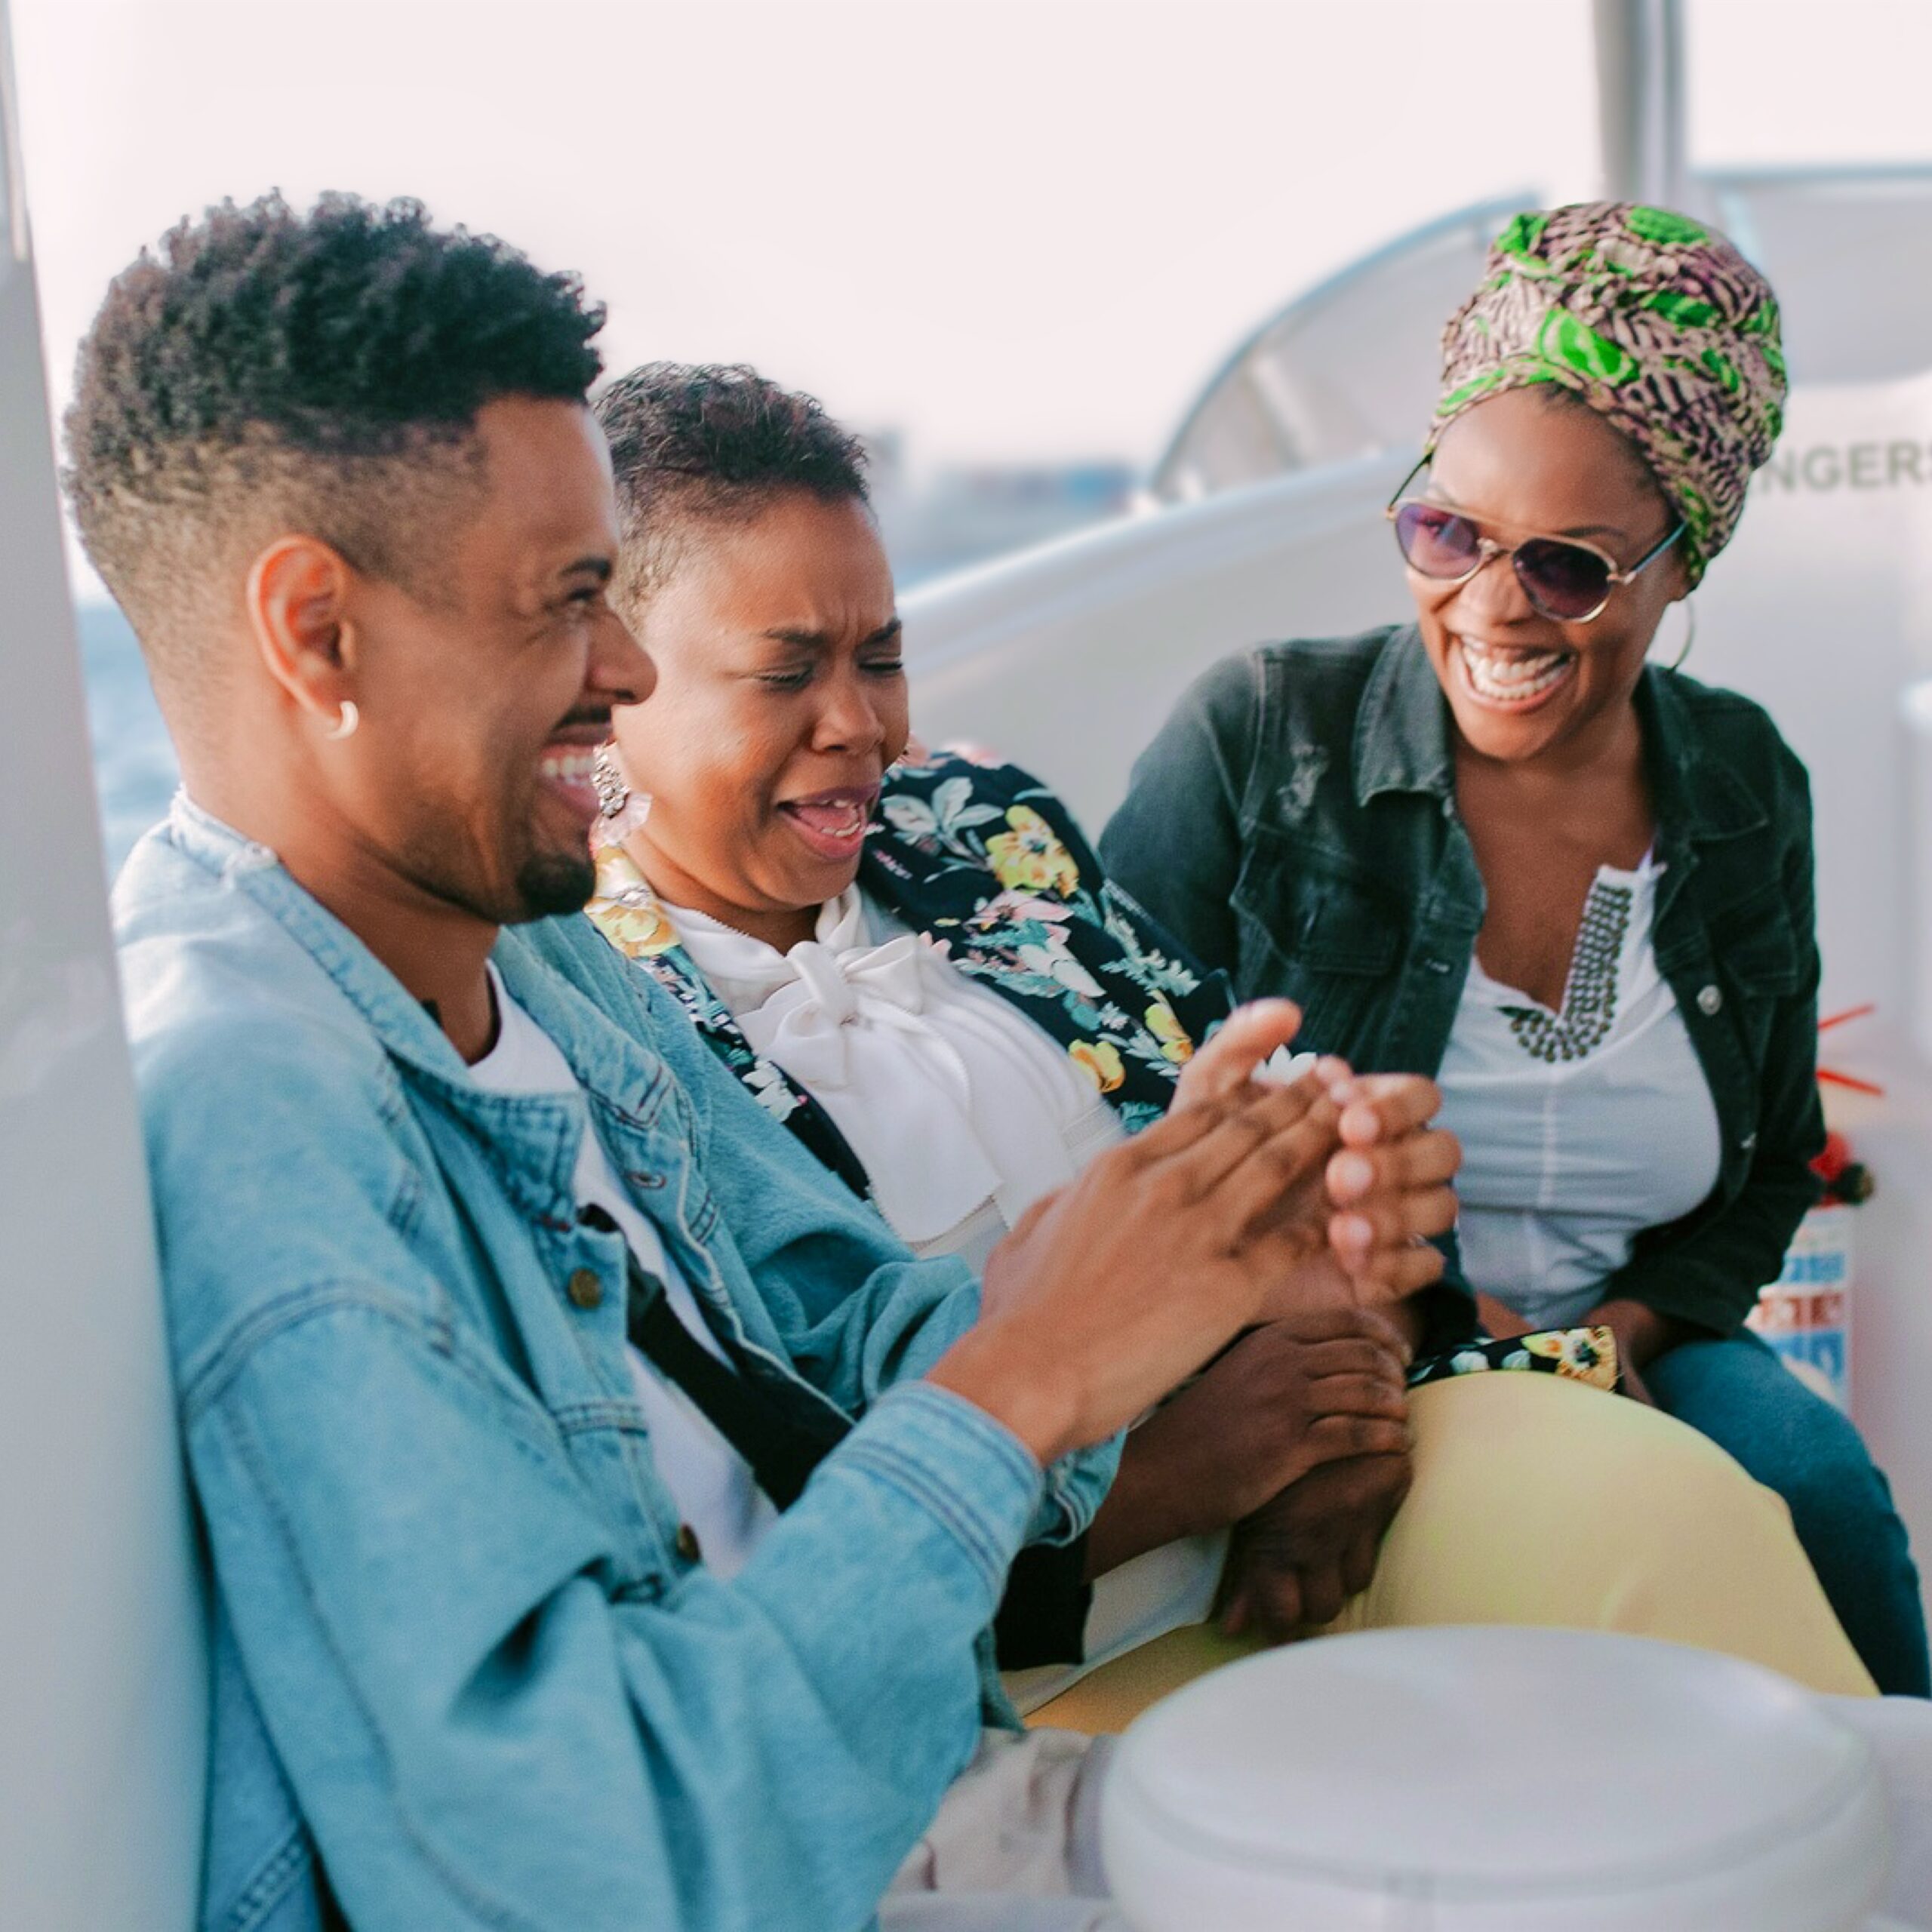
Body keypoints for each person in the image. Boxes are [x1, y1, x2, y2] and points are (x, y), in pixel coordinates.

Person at [75, 192, 1456, 1932]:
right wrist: (1028, 1374)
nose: (629, 665)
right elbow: (599, 1863)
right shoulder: (252, 1115)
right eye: (572, 600)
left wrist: (1181, 1243)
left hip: (925, 1785)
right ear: (316, 632)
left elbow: (838, 1335)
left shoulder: (535, 950)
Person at [581, 359, 1878, 1721]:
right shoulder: (589, 1018)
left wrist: (1354, 1325)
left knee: (1675, 1513)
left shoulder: (976, 829)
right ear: (608, 681)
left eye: (882, 655)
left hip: (1336, 1477)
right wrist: (1182, 1475)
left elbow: (1258, 1140)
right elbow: (764, 1499)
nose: (863, 728)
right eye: (787, 672)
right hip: (1027, 1651)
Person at [1101, 200, 1931, 1699]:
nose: (1488, 603)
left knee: (1810, 1490)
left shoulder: (1741, 784)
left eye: (1564, 566)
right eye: (1445, 529)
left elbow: (1768, 1167)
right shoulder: (1256, 741)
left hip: (1639, 1345)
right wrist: (1378, 1346)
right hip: (1330, 1345)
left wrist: (1611, 1337)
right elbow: (1100, 1098)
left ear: (1680, 564)